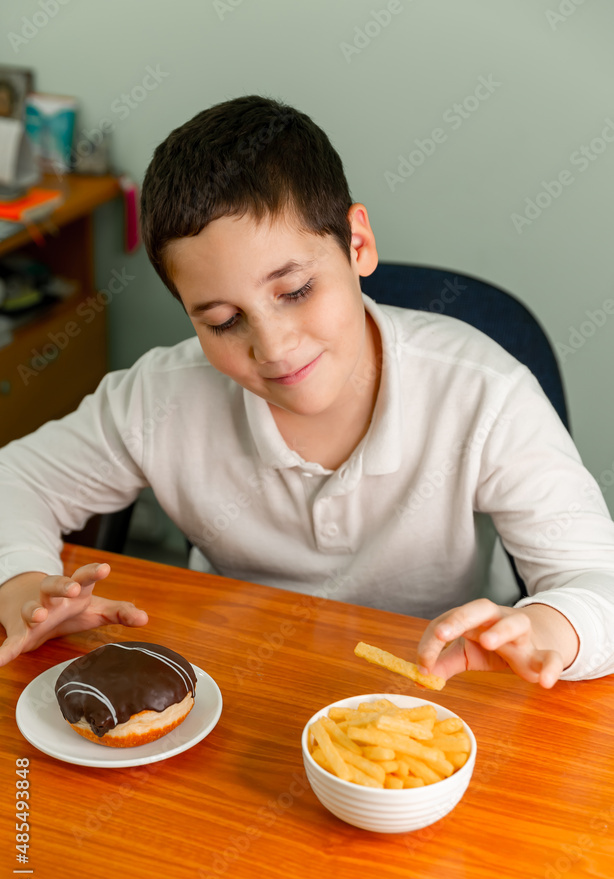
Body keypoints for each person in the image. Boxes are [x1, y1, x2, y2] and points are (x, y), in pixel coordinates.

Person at [1, 95, 614, 688]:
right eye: (223, 321)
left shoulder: (484, 392)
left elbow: (596, 579)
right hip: (240, 680)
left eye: (295, 291)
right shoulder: (159, 396)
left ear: (358, 244)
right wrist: (20, 581)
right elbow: (16, 481)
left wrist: (551, 627)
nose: (273, 348)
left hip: (435, 691)